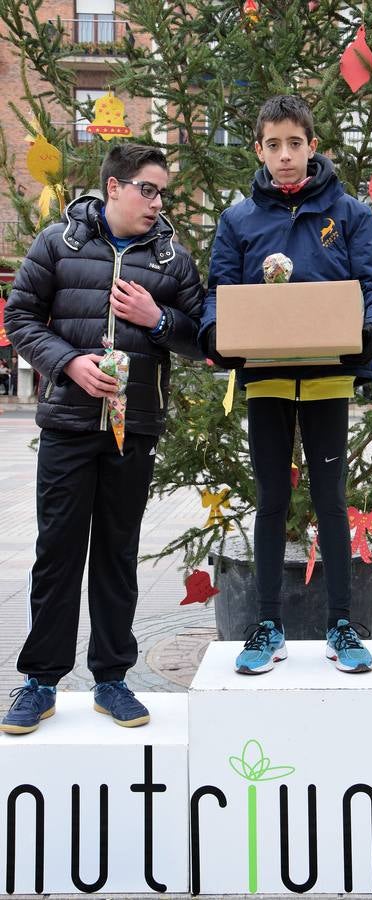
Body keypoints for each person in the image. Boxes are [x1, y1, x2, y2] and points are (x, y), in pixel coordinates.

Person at [2, 143, 204, 734]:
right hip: (67, 424)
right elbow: (19, 318)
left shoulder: (171, 259)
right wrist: (67, 363)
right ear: (113, 187)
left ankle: (112, 680)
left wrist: (156, 319)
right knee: (57, 553)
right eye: (147, 188)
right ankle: (39, 681)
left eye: (162, 191)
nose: (157, 201)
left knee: (117, 555)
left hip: (132, 430)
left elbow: (203, 339)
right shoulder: (57, 244)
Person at [200, 95, 372, 676]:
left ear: (312, 146)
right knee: (271, 500)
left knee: (332, 501)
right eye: (272, 145)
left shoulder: (351, 214)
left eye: (294, 143)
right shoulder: (239, 220)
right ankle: (266, 625)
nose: (284, 156)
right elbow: (218, 292)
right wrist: (216, 332)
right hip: (265, 377)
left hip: (329, 376)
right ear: (258, 150)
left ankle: (342, 623)